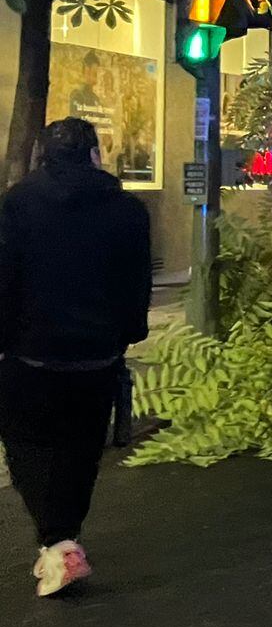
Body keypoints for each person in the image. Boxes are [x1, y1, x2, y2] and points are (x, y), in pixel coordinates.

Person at [0, 118, 153, 595]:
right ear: (94, 156)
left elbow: (4, 280)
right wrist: (127, 335)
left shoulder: (15, 205)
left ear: (42, 157)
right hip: (96, 356)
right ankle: (64, 540)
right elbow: (136, 286)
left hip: (31, 355)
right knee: (81, 450)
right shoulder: (128, 211)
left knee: (26, 445)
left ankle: (57, 540)